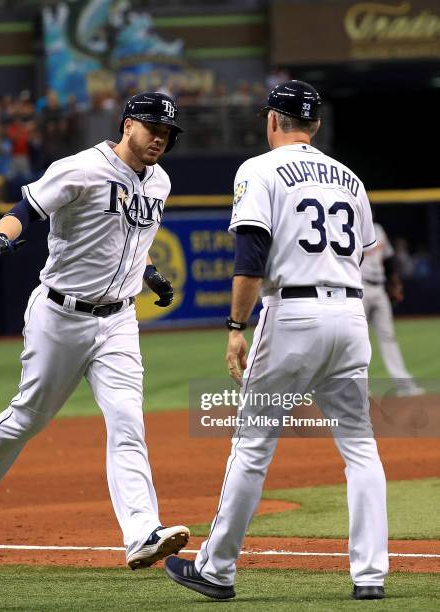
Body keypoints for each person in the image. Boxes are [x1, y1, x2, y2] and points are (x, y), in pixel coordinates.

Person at [165, 81, 388, 600]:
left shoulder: (259, 169)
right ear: (313, 125)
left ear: (272, 120)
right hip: (351, 313)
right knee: (360, 447)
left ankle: (216, 570)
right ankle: (371, 576)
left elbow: (250, 260)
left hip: (294, 314)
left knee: (252, 446)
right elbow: (361, 253)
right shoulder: (349, 177)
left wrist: (235, 327)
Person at [0, 91, 190, 570]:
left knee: (127, 420)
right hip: (60, 315)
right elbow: (24, 210)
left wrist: (149, 275)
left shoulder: (159, 182)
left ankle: (142, 531)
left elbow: (127, 242)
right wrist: (2, 236)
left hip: (120, 320)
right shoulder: (81, 168)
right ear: (126, 125)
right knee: (30, 416)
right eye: (151, 129)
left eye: (166, 134)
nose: (159, 140)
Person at [362, 222, 424, 397]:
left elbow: (388, 259)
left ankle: (405, 384)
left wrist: (394, 283)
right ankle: (359, 388)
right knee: (358, 340)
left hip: (380, 288)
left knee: (388, 336)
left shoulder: (379, 229)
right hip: (360, 288)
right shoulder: (349, 227)